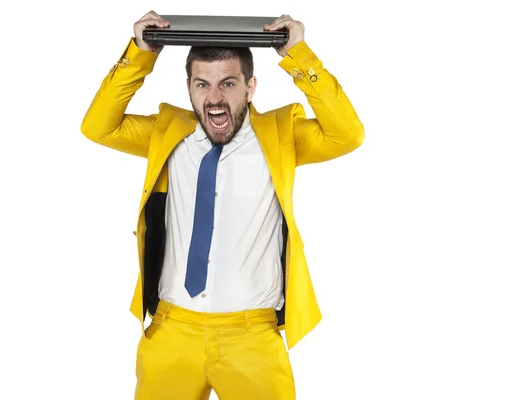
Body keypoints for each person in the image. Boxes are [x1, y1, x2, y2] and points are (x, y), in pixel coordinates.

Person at [81, 10, 364, 400]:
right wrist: (141, 53)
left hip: (252, 339)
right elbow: (98, 126)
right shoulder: (166, 133)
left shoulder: (281, 136)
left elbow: (347, 135)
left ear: (250, 87)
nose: (214, 97)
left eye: (228, 83)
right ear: (189, 88)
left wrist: (299, 55)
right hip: (171, 333)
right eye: (203, 84)